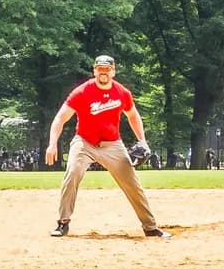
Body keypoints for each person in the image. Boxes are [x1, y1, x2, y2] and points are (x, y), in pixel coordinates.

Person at [43, 55, 166, 239]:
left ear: (113, 71)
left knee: (132, 183)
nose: (103, 72)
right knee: (72, 173)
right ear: (94, 71)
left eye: (107, 69)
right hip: (84, 142)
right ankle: (63, 223)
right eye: (100, 68)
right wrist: (52, 144)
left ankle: (150, 227)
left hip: (112, 144)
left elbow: (133, 115)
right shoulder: (82, 92)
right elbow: (61, 117)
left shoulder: (122, 92)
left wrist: (143, 141)